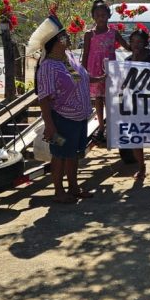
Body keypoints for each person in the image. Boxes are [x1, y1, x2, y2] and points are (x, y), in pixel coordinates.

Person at [29, 16, 93, 204]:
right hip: (61, 120)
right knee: (59, 155)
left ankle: (73, 187)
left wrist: (99, 79)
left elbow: (78, 80)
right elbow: (44, 98)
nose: (68, 39)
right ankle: (59, 191)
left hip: (78, 119)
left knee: (72, 154)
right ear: (54, 42)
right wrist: (50, 126)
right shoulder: (48, 66)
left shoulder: (67, 58)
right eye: (63, 37)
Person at [81, 0, 128, 144]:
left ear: (108, 16)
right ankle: (101, 127)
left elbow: (126, 46)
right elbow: (86, 53)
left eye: (103, 15)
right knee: (99, 99)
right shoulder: (89, 34)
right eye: (97, 15)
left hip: (110, 70)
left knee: (109, 98)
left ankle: (110, 126)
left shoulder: (113, 33)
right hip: (94, 70)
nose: (100, 18)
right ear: (93, 17)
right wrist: (83, 72)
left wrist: (140, 47)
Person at [124, 28, 150, 180]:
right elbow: (124, 83)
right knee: (136, 137)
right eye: (133, 42)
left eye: (139, 42)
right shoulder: (127, 61)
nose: (136, 45)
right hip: (134, 104)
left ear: (146, 43)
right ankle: (141, 167)